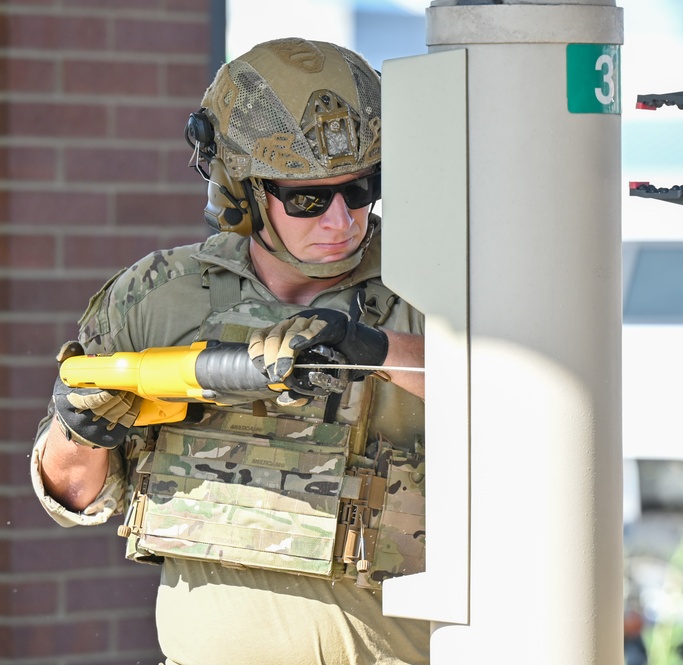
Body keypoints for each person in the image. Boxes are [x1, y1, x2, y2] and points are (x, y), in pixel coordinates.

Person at [30, 37, 429, 665]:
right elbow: (78, 499)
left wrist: (373, 348)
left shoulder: (432, 286)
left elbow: (520, 399)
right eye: (307, 198)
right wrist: (79, 428)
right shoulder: (159, 299)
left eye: (360, 189)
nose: (340, 219)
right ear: (242, 193)